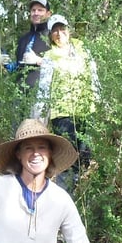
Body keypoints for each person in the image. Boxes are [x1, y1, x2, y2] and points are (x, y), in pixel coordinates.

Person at [32, 14, 101, 190]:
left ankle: (82, 195)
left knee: (86, 156)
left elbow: (93, 76)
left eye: (62, 28)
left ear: (68, 30)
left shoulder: (83, 49)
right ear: (50, 35)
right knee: (68, 159)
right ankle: (64, 198)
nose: (59, 33)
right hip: (62, 115)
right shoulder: (49, 57)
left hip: (87, 111)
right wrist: (40, 119)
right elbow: (43, 88)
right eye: (54, 30)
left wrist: (100, 101)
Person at [1, 0, 52, 100]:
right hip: (20, 96)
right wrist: (8, 65)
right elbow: (20, 66)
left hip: (42, 96)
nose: (36, 13)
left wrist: (39, 60)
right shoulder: (23, 39)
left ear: (48, 14)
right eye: (33, 10)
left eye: (40, 10)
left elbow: (61, 65)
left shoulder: (53, 37)